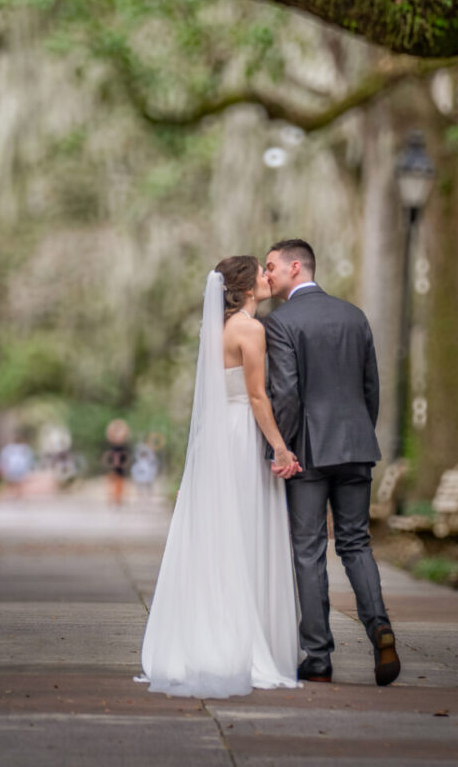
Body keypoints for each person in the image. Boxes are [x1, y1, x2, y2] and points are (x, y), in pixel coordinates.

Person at [139, 257, 301, 697]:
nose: (270, 278)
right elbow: (255, 394)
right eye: (262, 273)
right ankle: (239, 640)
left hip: (216, 438)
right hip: (241, 434)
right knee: (244, 530)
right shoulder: (250, 329)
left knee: (216, 534)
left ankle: (205, 634)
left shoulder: (214, 329)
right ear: (247, 287)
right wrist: (281, 447)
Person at [264, 237, 401, 686]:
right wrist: (359, 434)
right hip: (355, 446)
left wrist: (281, 448)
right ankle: (378, 625)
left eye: (272, 267)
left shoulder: (280, 322)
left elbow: (285, 393)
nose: (267, 276)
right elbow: (371, 388)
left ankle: (319, 656)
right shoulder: (354, 316)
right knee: (356, 543)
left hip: (307, 451)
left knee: (309, 551)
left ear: (296, 267)